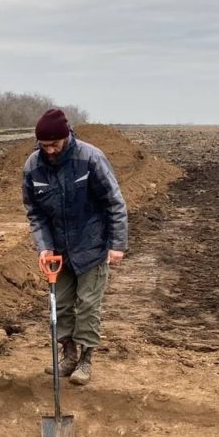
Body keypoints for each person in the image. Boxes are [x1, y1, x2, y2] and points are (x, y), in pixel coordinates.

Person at [21, 108, 128, 386]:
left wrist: (116, 244)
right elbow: (35, 212)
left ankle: (85, 359)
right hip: (58, 249)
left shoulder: (90, 158)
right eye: (45, 146)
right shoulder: (33, 166)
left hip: (92, 245)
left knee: (88, 305)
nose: (51, 150)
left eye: (55, 144)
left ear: (67, 136)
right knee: (62, 306)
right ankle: (67, 355)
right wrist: (44, 247)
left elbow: (114, 203)